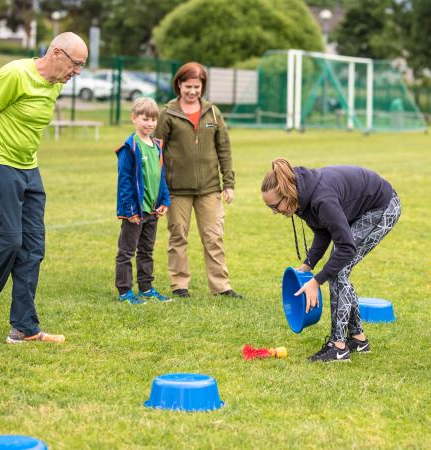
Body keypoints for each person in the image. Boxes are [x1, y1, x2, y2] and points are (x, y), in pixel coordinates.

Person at [0, 32, 88, 344]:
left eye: (81, 68)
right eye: (76, 65)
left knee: (33, 248)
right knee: (7, 243)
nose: (77, 73)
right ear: (57, 53)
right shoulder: (14, 75)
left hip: (28, 169)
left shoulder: (54, 86)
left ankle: (24, 329)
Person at [261, 159, 402, 362]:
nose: (275, 211)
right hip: (361, 208)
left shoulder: (321, 198)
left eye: (275, 206)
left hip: (383, 206)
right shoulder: (299, 199)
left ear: (287, 192)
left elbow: (346, 247)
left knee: (338, 270)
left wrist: (316, 281)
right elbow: (323, 230)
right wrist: (307, 266)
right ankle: (358, 340)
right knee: (338, 268)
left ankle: (338, 347)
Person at [154, 62, 241, 299]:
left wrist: (229, 183)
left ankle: (221, 287)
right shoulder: (167, 113)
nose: (192, 91)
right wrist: (157, 188)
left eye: (197, 86)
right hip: (176, 190)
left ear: (203, 86)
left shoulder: (213, 113)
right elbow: (156, 151)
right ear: (179, 85)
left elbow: (224, 148)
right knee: (178, 237)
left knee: (214, 237)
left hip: (209, 188)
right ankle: (179, 285)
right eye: (187, 86)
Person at [115, 97, 172, 304]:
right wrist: (130, 210)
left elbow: (160, 176)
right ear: (134, 119)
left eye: (153, 119)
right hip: (135, 212)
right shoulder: (129, 148)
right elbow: (125, 182)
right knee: (126, 252)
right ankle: (125, 292)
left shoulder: (157, 146)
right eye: (145, 119)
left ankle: (146, 288)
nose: (149, 123)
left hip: (153, 211)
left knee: (147, 251)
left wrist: (164, 201)